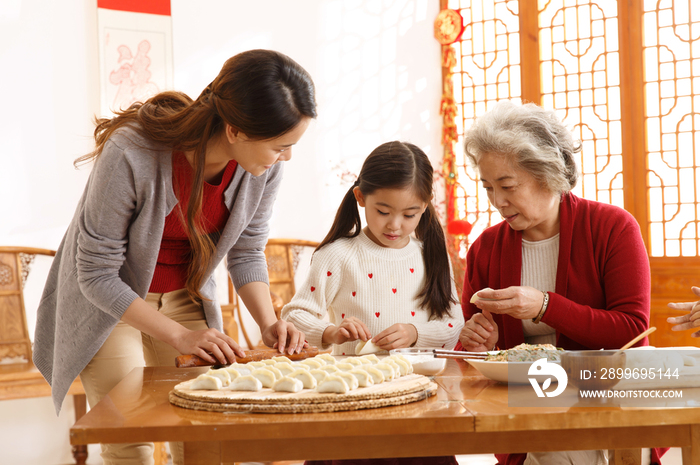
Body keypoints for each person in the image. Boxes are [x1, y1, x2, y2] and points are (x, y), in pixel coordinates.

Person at [33, 49, 316, 465]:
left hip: (186, 295)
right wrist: (181, 338)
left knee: (204, 433)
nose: (287, 157)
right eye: (281, 146)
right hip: (111, 302)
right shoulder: (132, 152)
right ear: (235, 130)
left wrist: (270, 324)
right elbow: (95, 273)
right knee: (130, 437)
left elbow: (247, 250)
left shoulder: (263, 168)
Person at [456, 101, 666, 465]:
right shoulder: (485, 249)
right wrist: (476, 342)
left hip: (611, 391)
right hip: (529, 400)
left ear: (549, 173)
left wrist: (545, 306)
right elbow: (472, 357)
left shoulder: (613, 228)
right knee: (553, 452)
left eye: (507, 185)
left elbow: (631, 329)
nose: (498, 202)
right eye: (488, 187)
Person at [282, 141, 463, 465]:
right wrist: (330, 332)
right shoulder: (337, 255)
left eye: (410, 214)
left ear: (425, 206)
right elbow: (295, 314)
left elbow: (453, 322)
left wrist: (414, 332)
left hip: (419, 398)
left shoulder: (431, 254)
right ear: (361, 198)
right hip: (352, 400)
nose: (395, 225)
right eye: (383, 211)